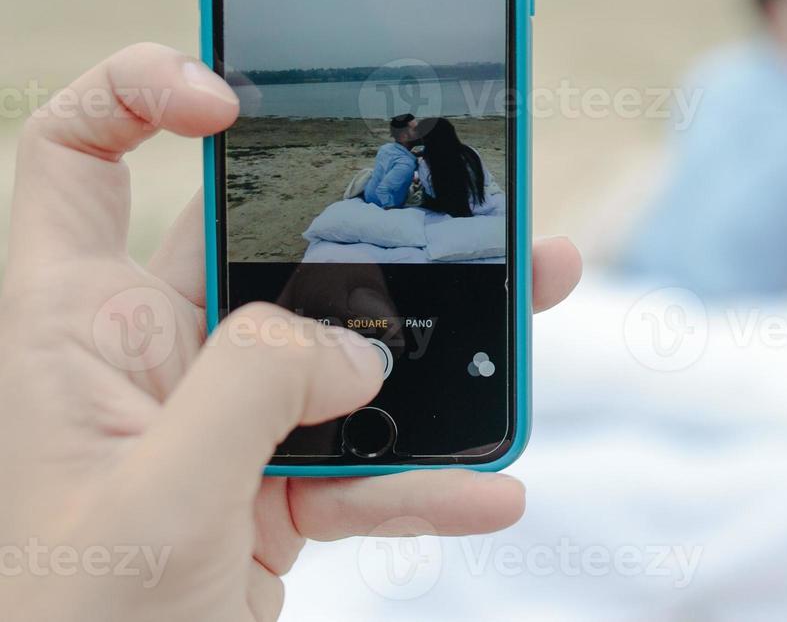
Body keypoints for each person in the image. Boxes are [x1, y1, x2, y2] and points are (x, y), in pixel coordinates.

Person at [0, 44, 582, 621]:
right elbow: (473, 210)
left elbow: (383, 199)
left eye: (403, 132)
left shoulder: (409, 159)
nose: (403, 137)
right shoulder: (471, 160)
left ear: (412, 135)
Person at [620, 0, 787, 297]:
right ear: (779, 7)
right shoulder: (726, 83)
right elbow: (706, 200)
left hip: (747, 298)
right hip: (707, 295)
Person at [416, 117, 506, 217]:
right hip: (480, 204)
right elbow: (486, 181)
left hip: (449, 209)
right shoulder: (470, 153)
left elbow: (432, 193)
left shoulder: (426, 163)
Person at [361, 112, 418, 209]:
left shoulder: (385, 148)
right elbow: (382, 190)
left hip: (369, 194)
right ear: (403, 136)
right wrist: (391, 211)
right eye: (415, 130)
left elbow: (391, 167)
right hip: (380, 202)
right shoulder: (406, 164)